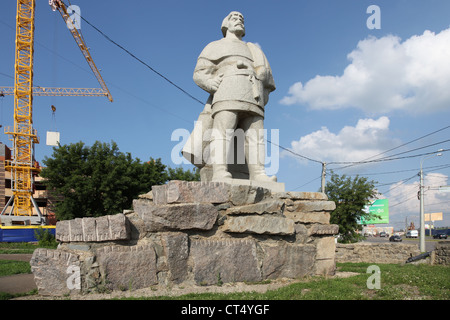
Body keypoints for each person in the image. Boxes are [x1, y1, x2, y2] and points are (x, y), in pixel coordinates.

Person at [185, 11, 276, 182]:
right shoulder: (214, 46)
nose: (239, 20)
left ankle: (258, 173)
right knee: (222, 132)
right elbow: (199, 72)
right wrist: (211, 83)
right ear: (225, 24)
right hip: (226, 90)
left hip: (252, 92)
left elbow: (267, 78)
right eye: (234, 18)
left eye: (242, 19)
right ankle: (219, 171)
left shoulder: (253, 49)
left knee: (256, 136)